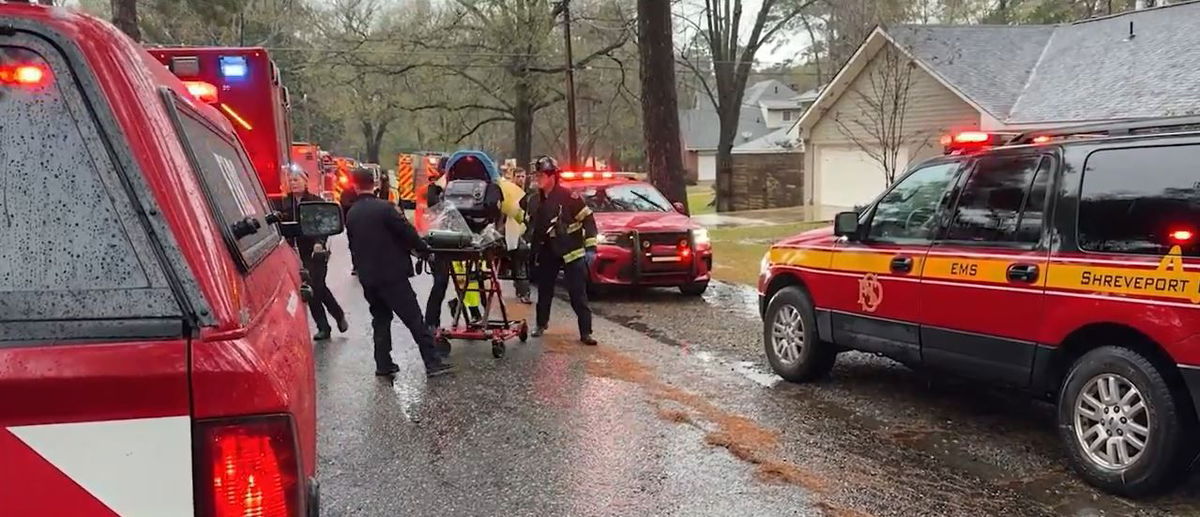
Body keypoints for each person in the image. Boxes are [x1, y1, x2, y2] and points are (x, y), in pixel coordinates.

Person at [344, 166, 453, 377]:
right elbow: (407, 232)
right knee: (414, 319)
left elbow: (353, 246)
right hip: (392, 275)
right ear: (374, 185)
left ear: (355, 186)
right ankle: (432, 362)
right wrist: (424, 249)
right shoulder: (385, 208)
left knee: (381, 319)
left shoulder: (352, 214)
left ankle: (383, 363)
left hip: (369, 278)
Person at [526, 156, 598, 345]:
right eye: (536, 175)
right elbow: (529, 226)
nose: (537, 178)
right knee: (544, 290)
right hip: (547, 252)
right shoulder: (534, 200)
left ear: (552, 176)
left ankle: (586, 332)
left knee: (577, 294)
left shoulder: (569, 197)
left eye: (541, 175)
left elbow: (588, 221)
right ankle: (541, 324)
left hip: (571, 252)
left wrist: (591, 247)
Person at [282, 170, 349, 341]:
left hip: (315, 253)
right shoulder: (283, 204)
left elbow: (324, 226)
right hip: (295, 253)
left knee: (317, 286)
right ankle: (323, 327)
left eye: (296, 179)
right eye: (290, 180)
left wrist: (319, 243)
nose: (293, 183)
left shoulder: (315, 202)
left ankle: (337, 314)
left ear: (305, 182)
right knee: (309, 290)